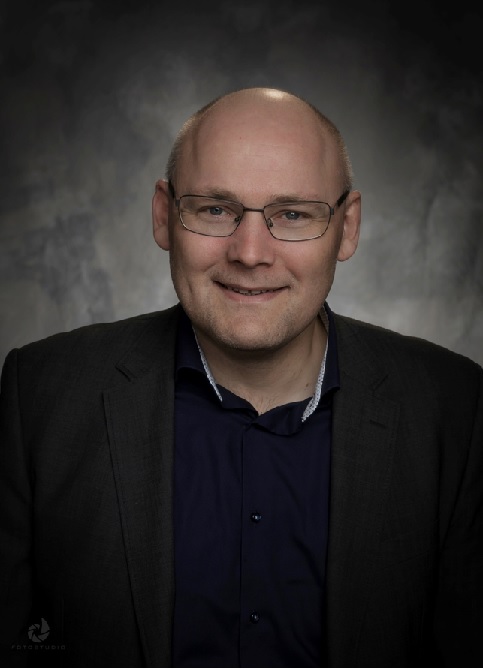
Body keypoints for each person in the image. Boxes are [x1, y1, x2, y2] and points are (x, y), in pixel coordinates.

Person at [0, 87, 482, 669]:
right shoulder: (40, 396)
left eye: (293, 214)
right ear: (163, 215)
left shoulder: (455, 410)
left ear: (348, 228)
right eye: (214, 209)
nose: (250, 253)